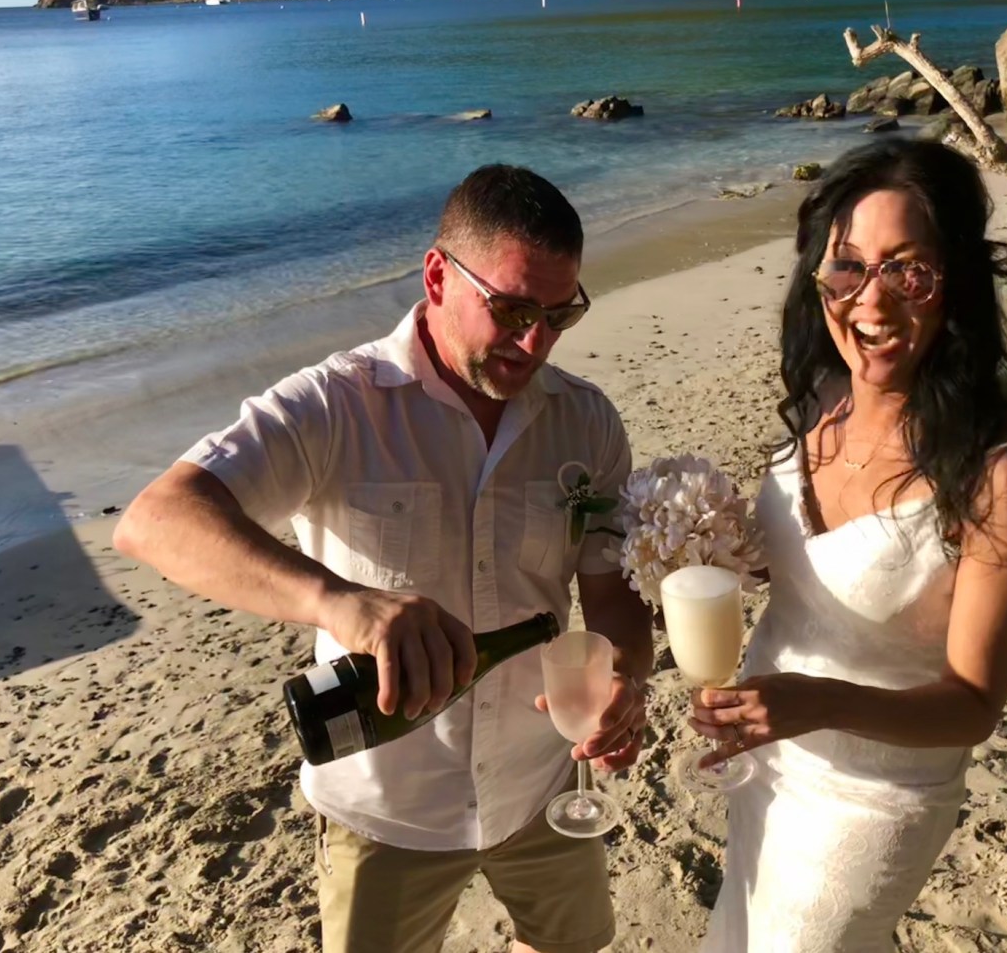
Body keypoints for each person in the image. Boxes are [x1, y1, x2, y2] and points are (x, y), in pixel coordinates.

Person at [113, 164, 653, 953]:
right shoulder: (336, 405)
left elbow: (609, 596)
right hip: (384, 806)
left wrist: (628, 678)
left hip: (542, 783)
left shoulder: (586, 420)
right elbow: (156, 520)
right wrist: (339, 602)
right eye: (510, 308)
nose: (535, 340)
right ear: (438, 275)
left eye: (559, 313)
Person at [688, 139, 1007, 951]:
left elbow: (975, 704)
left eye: (907, 269)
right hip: (765, 763)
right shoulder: (821, 398)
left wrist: (814, 701)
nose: (871, 300)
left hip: (872, 796)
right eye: (847, 266)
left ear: (953, 279)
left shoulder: (1000, 471)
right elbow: (800, 579)